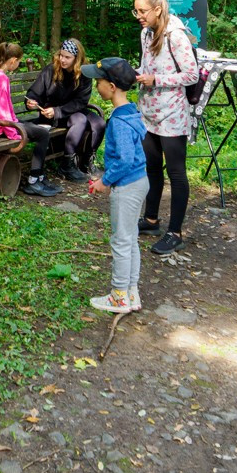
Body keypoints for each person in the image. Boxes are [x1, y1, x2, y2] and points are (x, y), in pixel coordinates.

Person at [133, 0, 199, 256]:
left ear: (158, 9)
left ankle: (175, 233)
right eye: (136, 11)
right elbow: (147, 67)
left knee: (176, 173)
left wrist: (157, 80)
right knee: (151, 168)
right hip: (149, 112)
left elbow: (191, 75)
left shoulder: (176, 35)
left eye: (142, 11)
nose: (138, 16)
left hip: (172, 115)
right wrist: (134, 73)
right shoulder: (145, 33)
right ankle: (151, 220)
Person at [82, 57, 149, 314]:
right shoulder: (131, 111)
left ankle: (119, 297)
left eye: (98, 81)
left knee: (121, 241)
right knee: (130, 238)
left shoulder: (119, 122)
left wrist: (104, 181)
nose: (96, 85)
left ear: (111, 87)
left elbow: (124, 160)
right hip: (139, 181)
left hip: (127, 186)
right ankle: (131, 292)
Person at [0, 42, 61, 197]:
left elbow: (1, 107)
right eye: (19, 61)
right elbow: (2, 110)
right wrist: (14, 132)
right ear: (13, 60)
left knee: (35, 127)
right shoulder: (2, 78)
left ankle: (40, 176)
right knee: (43, 134)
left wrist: (17, 123)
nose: (18, 64)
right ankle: (34, 180)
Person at [25, 39, 106, 181]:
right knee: (80, 120)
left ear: (77, 58)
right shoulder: (50, 70)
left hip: (72, 109)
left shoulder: (84, 73)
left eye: (67, 57)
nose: (62, 60)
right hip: (51, 115)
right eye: (61, 55)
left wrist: (59, 110)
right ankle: (67, 165)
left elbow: (81, 102)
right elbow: (34, 93)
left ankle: (86, 163)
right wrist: (31, 101)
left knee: (99, 123)